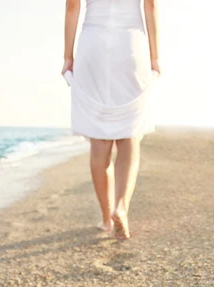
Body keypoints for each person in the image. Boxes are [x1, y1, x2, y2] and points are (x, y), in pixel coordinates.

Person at [62, 0, 160, 240]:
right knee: (130, 133)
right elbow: (151, 6)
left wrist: (67, 56)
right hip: (130, 43)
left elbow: (72, 6)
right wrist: (155, 57)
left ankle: (106, 219)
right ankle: (121, 207)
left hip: (93, 44)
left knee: (99, 138)